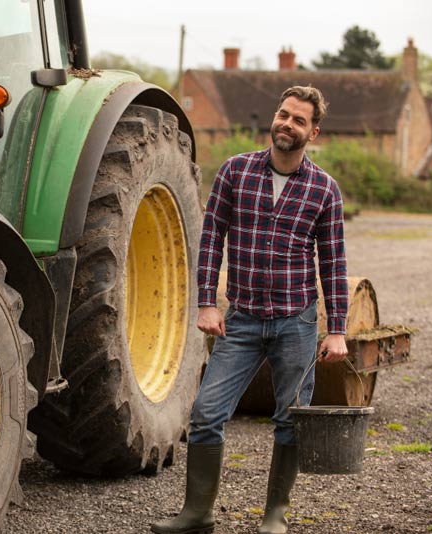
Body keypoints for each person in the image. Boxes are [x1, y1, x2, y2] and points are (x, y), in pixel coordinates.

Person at [152, 85, 349, 534]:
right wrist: (206, 302)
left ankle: (274, 516)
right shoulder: (236, 171)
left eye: (299, 120)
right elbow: (211, 240)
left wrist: (336, 329)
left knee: (290, 419)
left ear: (312, 132)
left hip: (296, 320)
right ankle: (197, 513)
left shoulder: (324, 190)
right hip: (240, 320)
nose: (287, 124)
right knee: (206, 412)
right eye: (283, 115)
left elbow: (334, 264)